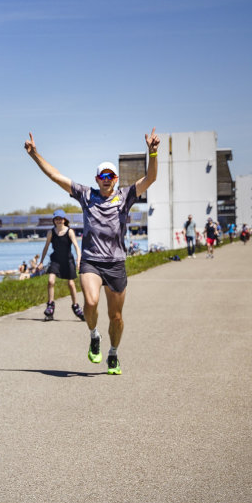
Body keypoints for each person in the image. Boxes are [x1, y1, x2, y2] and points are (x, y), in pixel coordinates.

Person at [24, 129, 159, 376]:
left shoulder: (125, 196)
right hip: (91, 262)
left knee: (116, 316)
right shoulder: (86, 195)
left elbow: (150, 178)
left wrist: (152, 151)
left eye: (111, 176)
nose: (107, 179)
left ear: (116, 179)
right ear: (97, 179)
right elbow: (56, 176)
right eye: (102, 176)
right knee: (91, 301)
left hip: (116, 263)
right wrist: (35, 155)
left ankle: (113, 354)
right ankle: (94, 335)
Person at [39, 209, 84, 320]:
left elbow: (76, 247)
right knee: (50, 281)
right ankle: (50, 306)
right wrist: (41, 262)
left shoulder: (69, 231)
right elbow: (45, 248)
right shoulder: (51, 232)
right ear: (54, 221)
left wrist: (78, 260)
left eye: (60, 219)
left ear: (64, 220)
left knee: (71, 284)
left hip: (68, 260)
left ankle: (76, 307)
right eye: (56, 219)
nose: (58, 221)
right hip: (55, 260)